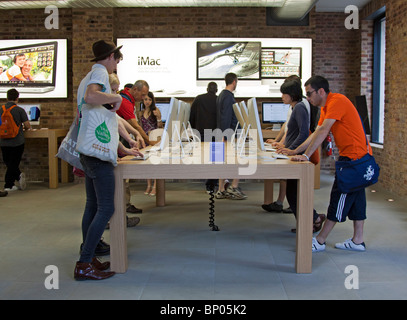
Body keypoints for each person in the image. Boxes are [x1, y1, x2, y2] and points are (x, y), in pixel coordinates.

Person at [286, 75, 370, 252]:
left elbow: (324, 131)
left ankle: (320, 240)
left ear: (321, 91)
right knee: (357, 201)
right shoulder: (325, 107)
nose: (307, 98)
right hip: (356, 158)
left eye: (309, 94)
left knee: (338, 199)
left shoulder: (336, 101)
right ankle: (358, 240)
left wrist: (307, 156)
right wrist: (296, 151)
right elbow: (315, 133)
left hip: (354, 160)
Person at [74, 40, 124, 281]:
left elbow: (84, 106)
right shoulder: (100, 72)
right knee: (106, 208)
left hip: (87, 150)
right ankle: (83, 263)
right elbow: (92, 95)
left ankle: (89, 256)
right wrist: (116, 98)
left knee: (92, 206)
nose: (116, 65)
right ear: (111, 56)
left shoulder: (87, 76)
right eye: (116, 59)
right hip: (97, 153)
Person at [268, 80, 325, 233]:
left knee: (294, 193)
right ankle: (311, 220)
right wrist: (284, 146)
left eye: (284, 94)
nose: (282, 97)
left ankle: (312, 221)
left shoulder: (299, 108)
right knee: (293, 192)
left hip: (297, 155)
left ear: (291, 94)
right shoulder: (295, 107)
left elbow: (303, 133)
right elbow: (293, 133)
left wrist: (291, 150)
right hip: (293, 153)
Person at [215, 72, 246, 200]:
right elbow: (226, 117)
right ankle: (233, 187)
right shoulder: (228, 97)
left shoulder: (221, 95)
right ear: (234, 82)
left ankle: (222, 189)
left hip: (224, 134)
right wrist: (225, 136)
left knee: (223, 162)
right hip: (229, 135)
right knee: (236, 160)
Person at [190, 81, 219, 193]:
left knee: (205, 158)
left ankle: (208, 184)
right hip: (216, 134)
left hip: (201, 133)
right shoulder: (219, 100)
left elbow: (191, 115)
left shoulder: (198, 98)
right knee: (215, 160)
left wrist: (193, 129)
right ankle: (213, 184)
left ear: (207, 89)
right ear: (216, 90)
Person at [0, 88, 31, 192]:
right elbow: (27, 125)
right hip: (17, 141)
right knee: (13, 163)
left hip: (3, 141)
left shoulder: (1, 109)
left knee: (8, 162)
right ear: (17, 98)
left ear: (7, 97)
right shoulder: (19, 110)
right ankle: (9, 184)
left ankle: (12, 183)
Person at [140, 91, 163, 196]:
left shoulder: (156, 110)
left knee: (154, 163)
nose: (147, 101)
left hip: (154, 140)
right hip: (145, 139)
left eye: (149, 99)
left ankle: (155, 186)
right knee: (146, 164)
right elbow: (140, 127)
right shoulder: (141, 112)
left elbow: (160, 128)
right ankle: (148, 185)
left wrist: (158, 118)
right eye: (145, 99)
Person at [116, 80, 150, 145]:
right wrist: (150, 142)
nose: (143, 98)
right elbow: (135, 126)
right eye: (142, 95)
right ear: (135, 89)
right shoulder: (125, 101)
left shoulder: (129, 97)